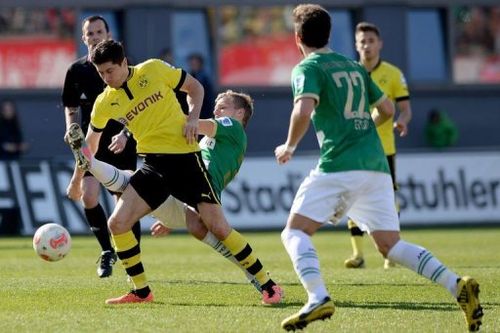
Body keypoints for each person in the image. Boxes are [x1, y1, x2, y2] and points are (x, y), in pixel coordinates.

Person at [275, 4, 483, 331]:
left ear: (297, 37)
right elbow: (386, 109)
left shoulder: (307, 67)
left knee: (295, 231)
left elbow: (303, 110)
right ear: (329, 33)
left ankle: (317, 297)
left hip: (339, 164)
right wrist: (363, 128)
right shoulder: (355, 68)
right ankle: (457, 285)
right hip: (375, 166)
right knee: (391, 245)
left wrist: (289, 145)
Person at [66, 39, 282, 305]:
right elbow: (90, 145)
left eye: (110, 71)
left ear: (124, 62)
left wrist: (192, 117)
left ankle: (268, 284)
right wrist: (77, 179)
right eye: (101, 73)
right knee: (117, 224)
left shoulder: (153, 69)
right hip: (152, 165)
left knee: (218, 226)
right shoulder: (105, 101)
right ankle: (141, 291)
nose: (106, 78)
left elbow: (195, 87)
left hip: (186, 160)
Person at [62, 16, 141, 279]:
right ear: (83, 38)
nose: (94, 36)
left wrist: (126, 133)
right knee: (89, 196)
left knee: (125, 202)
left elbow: (140, 105)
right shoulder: (76, 71)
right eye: (90, 33)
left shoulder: (122, 65)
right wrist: (73, 130)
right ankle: (108, 251)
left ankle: (133, 260)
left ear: (108, 34)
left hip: (122, 143)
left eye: (99, 31)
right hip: (92, 144)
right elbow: (71, 108)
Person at [344, 21, 413, 270]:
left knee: (386, 199)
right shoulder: (349, 73)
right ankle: (358, 254)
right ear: (356, 45)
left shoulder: (393, 74)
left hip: (384, 148)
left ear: (380, 44)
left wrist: (402, 122)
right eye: (362, 41)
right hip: (354, 147)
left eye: (371, 41)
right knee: (351, 196)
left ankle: (389, 252)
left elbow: (405, 110)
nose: (367, 46)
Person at [187, 53, 215, 119]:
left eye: (195, 64)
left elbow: (209, 98)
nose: (193, 66)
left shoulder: (205, 78)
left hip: (204, 111)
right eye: (192, 64)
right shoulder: (189, 76)